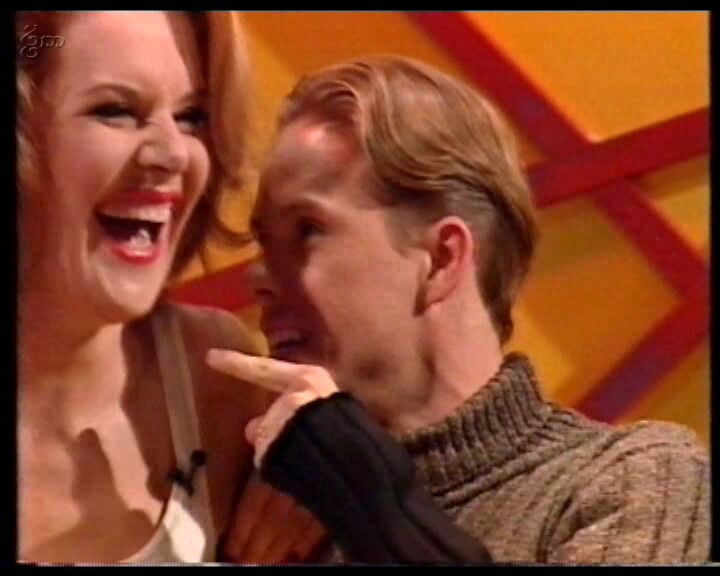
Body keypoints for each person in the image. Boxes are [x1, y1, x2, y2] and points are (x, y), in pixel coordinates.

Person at [208, 55, 711, 564]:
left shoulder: (630, 481)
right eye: (264, 242)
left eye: (307, 231)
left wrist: (363, 494)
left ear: (441, 259)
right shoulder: (267, 502)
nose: (259, 278)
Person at [17, 11, 324, 564]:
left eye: (191, 117)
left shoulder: (220, 382)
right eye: (115, 111)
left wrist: (332, 472)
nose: (173, 153)